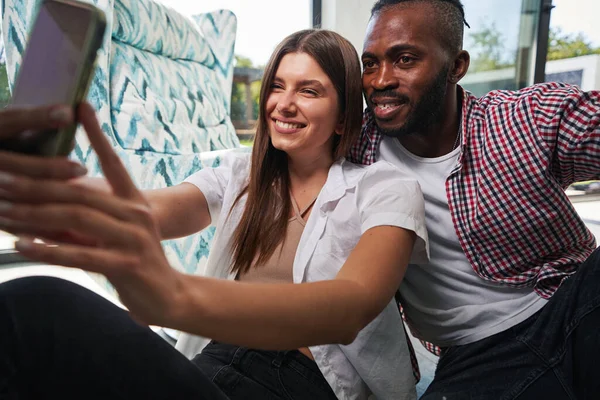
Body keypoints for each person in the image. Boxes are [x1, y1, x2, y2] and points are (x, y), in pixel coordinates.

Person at [0, 29, 428, 400]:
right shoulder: (240, 173)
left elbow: (351, 307)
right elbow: (155, 208)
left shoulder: (386, 189)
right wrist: (67, 195)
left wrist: (176, 296)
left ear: (343, 118)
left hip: (300, 382)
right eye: (277, 87)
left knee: (37, 304)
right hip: (211, 363)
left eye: (309, 90)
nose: (284, 104)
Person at [349, 0, 600, 398]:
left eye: (405, 59)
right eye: (370, 63)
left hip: (571, 307)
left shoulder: (522, 119)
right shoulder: (352, 148)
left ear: (456, 66)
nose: (380, 80)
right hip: (476, 358)